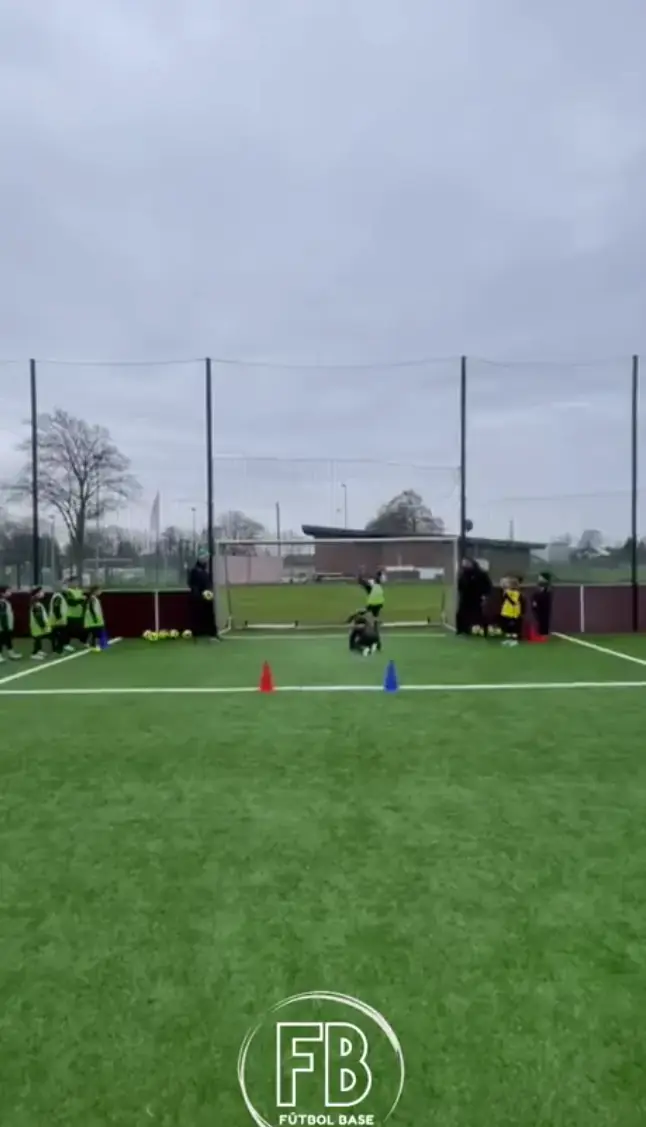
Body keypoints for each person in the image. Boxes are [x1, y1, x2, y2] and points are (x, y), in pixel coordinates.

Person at [187, 555, 220, 641]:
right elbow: (192, 584)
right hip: (198, 597)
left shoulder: (205, 571)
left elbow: (208, 583)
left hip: (207, 597)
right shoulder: (195, 571)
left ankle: (211, 632)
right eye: (204, 560)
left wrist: (209, 591)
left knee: (209, 614)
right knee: (198, 614)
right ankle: (198, 632)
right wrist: (198, 593)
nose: (206, 562)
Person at [456, 558, 491, 635]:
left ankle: (484, 630)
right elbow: (460, 585)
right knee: (461, 614)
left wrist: (485, 595)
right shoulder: (463, 574)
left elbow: (487, 585)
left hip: (477, 597)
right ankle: (462, 630)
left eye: (467, 563)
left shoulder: (481, 574)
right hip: (465, 597)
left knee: (479, 614)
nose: (465, 565)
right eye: (464, 563)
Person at [50, 584, 75, 655]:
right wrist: (59, 618)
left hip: (59, 619)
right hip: (57, 620)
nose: (66, 588)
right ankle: (58, 650)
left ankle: (59, 648)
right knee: (59, 635)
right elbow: (56, 608)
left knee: (61, 633)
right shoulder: (58, 597)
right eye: (65, 587)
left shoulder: (60, 596)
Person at [499, 576, 524, 646]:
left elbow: (513, 602)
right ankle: (509, 639)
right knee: (508, 626)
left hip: (514, 612)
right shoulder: (508, 592)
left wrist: (507, 595)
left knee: (514, 626)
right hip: (507, 611)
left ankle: (514, 640)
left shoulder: (517, 593)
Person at [62, 575, 86, 646]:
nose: (76, 583)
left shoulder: (80, 591)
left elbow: (82, 602)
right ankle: (66, 644)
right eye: (74, 582)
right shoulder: (68, 591)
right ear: (70, 583)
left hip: (79, 614)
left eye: (77, 582)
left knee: (82, 629)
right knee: (68, 630)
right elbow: (71, 602)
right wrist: (81, 599)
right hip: (70, 614)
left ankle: (83, 642)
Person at [30, 587, 52, 661]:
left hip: (38, 625)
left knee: (39, 638)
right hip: (37, 625)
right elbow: (38, 617)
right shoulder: (36, 605)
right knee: (37, 639)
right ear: (37, 594)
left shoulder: (37, 603)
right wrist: (43, 626)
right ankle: (34, 653)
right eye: (41, 592)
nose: (43, 593)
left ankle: (39, 650)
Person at [0, 586, 21, 663]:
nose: (10, 593)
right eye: (8, 591)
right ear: (2, 593)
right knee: (0, 640)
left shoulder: (6, 603)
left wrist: (9, 625)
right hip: (1, 626)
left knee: (8, 639)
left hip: (6, 625)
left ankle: (11, 653)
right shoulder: (1, 603)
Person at [532, 572, 553, 637]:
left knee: (544, 618)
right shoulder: (539, 585)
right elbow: (536, 593)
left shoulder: (547, 587)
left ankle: (544, 632)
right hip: (539, 603)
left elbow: (546, 594)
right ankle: (541, 632)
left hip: (544, 604)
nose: (539, 578)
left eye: (541, 577)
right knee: (539, 618)